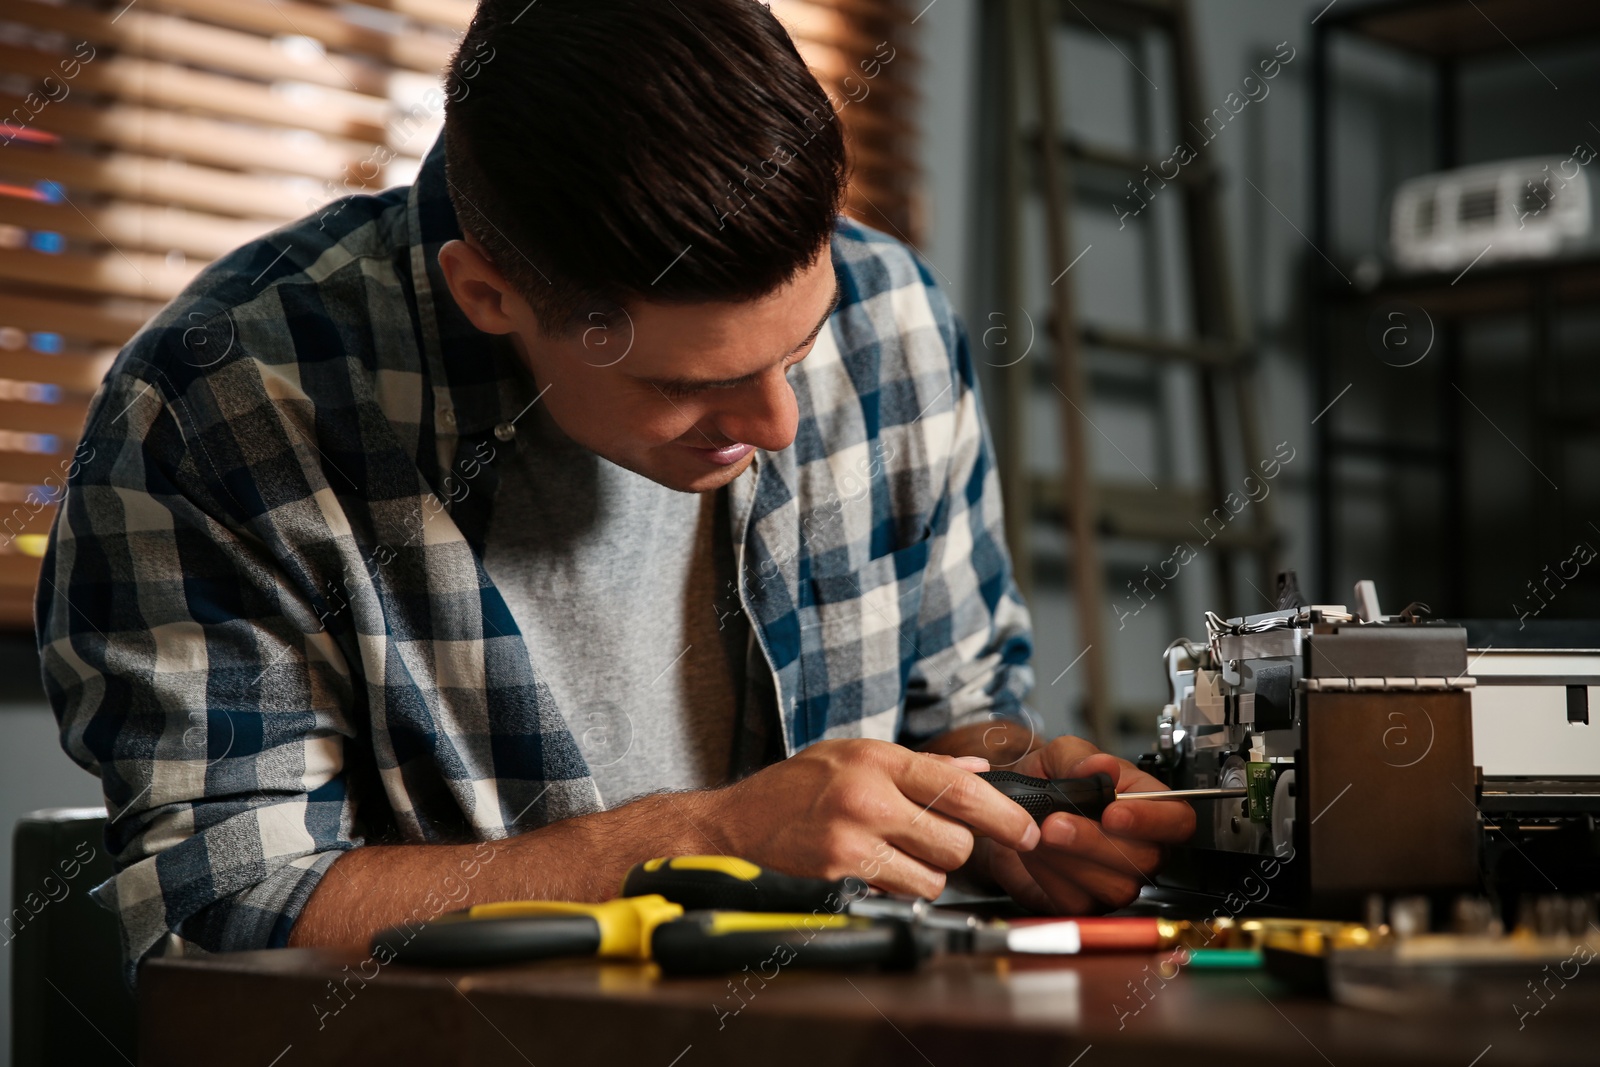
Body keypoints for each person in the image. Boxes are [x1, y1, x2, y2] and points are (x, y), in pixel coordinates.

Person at [37, 0, 1192, 976]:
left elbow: (956, 718)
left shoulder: (892, 317)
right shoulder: (223, 408)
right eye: (691, 382)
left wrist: (1008, 814)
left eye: (798, 352)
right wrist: (714, 834)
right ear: (491, 294)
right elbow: (222, 912)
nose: (779, 423)